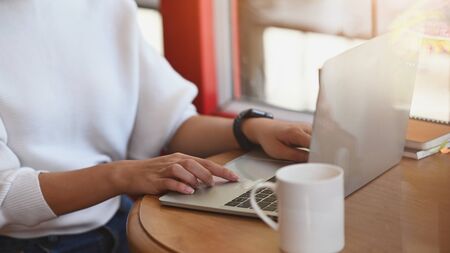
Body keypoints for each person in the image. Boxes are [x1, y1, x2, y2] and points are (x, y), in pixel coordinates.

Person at [0, 0, 311, 252]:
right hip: (27, 244)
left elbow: (171, 123)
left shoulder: (108, 8)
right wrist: (122, 175)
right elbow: (6, 196)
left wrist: (251, 129)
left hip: (120, 223)